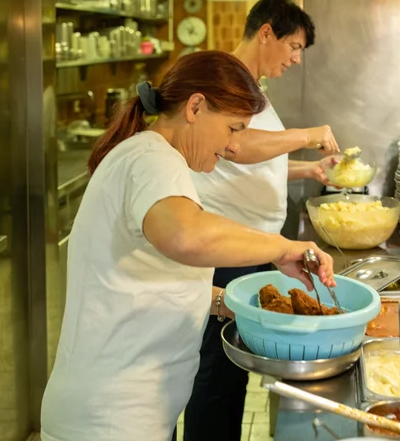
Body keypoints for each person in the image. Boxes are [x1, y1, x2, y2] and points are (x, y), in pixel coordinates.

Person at [40, 50, 336, 441]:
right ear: (196, 107)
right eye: (233, 128)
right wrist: (281, 248)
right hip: (110, 419)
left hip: (133, 413)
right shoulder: (150, 158)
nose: (234, 147)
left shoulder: (157, 159)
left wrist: (228, 304)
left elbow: (145, 277)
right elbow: (186, 236)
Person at [184, 0, 330, 441]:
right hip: (225, 246)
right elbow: (239, 148)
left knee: (230, 371)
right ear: (266, 32)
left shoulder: (253, 88)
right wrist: (307, 136)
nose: (295, 59)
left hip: (249, 245)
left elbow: (255, 160)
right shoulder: (228, 81)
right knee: (217, 371)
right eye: (294, 46)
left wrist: (308, 169)